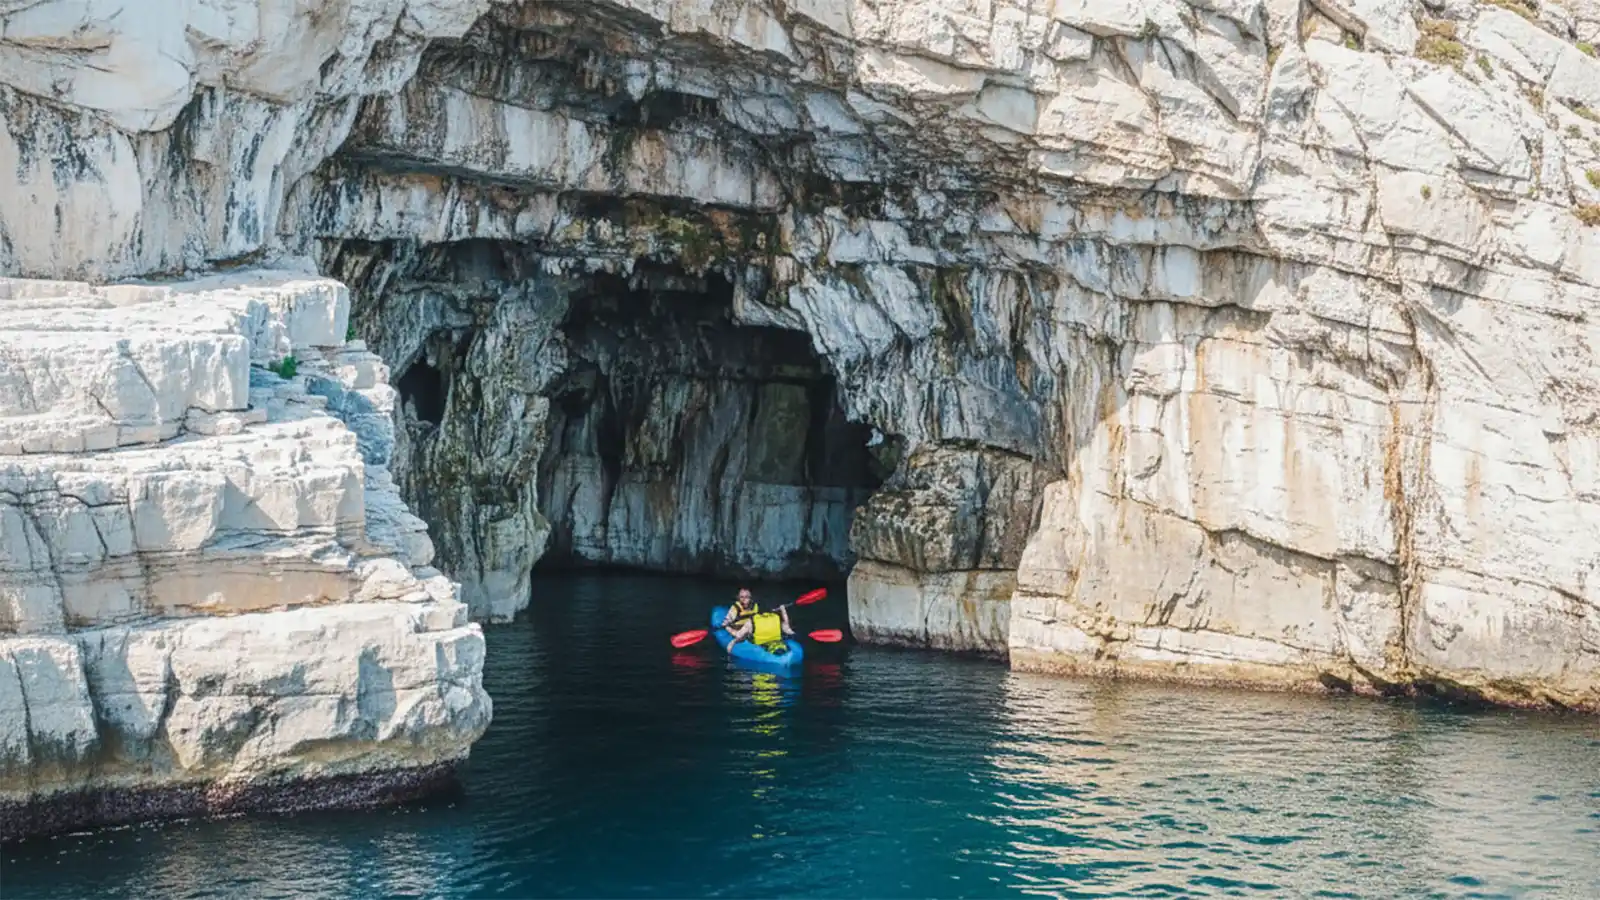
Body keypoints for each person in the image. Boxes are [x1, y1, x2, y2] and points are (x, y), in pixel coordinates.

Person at [723, 587, 792, 649]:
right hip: (739, 627)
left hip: (750, 626)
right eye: (742, 597)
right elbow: (726, 623)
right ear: (738, 597)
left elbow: (757, 618)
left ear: (750, 597)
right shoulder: (735, 608)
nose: (744, 599)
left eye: (747, 597)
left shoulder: (755, 606)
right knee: (741, 636)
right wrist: (727, 628)